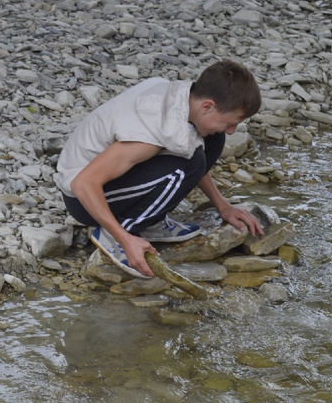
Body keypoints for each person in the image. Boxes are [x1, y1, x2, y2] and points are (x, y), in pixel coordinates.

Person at [55, 60, 265, 278]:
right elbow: (83, 183)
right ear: (207, 106)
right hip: (83, 198)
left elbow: (192, 146)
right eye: (231, 123)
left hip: (104, 180)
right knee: (189, 164)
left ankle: (148, 221)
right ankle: (118, 233)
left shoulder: (184, 96)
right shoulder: (146, 135)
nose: (232, 131)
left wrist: (223, 206)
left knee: (213, 138)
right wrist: (124, 239)